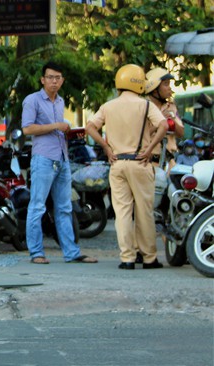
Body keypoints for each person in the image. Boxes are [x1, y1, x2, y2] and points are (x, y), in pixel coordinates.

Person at [85, 64, 168, 270]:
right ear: (139, 83)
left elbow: (90, 127)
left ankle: (127, 258)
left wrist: (106, 147)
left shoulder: (108, 106)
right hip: (140, 162)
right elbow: (164, 126)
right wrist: (149, 149)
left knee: (122, 212)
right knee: (144, 211)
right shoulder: (146, 105)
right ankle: (149, 258)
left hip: (117, 163)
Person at [21, 61, 97, 265]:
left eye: (58, 78)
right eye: (50, 77)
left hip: (62, 158)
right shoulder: (32, 100)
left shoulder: (60, 101)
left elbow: (58, 130)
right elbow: (27, 129)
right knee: (37, 207)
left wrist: (71, 132)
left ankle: (71, 253)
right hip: (43, 159)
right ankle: (36, 253)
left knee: (65, 208)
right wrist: (57, 126)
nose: (54, 81)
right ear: (42, 79)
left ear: (62, 80)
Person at [144, 68, 183, 166]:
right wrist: (160, 121)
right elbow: (139, 137)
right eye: (166, 84)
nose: (169, 88)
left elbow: (181, 133)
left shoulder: (171, 106)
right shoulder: (143, 107)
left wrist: (172, 118)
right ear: (154, 88)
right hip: (150, 162)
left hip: (169, 162)